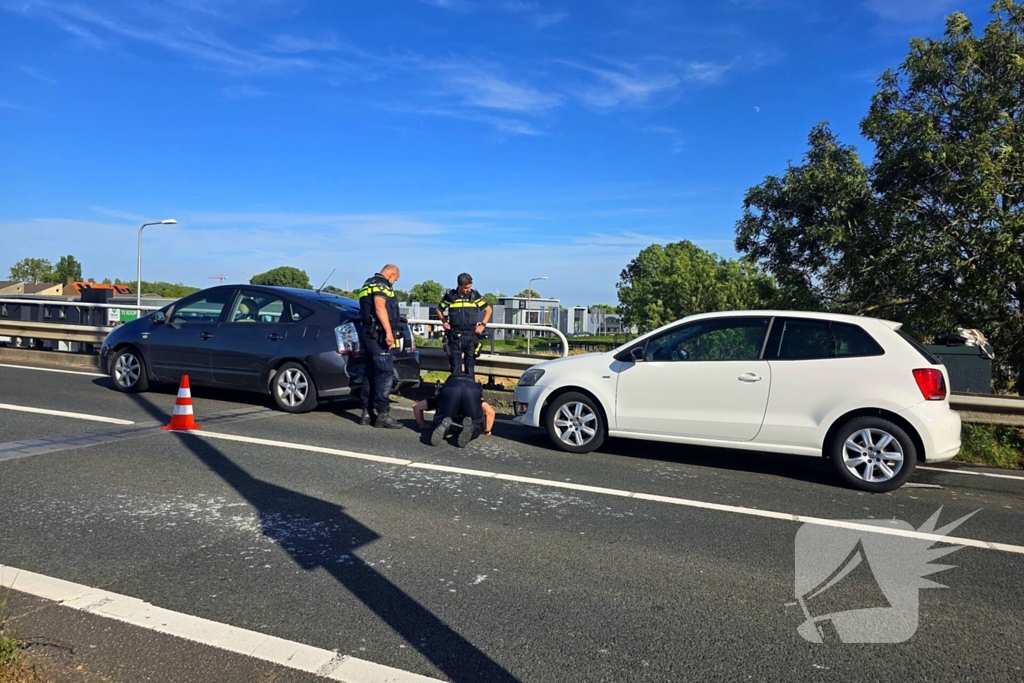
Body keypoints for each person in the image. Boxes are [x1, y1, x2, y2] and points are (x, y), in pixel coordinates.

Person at [356, 264, 403, 429]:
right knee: (385, 373)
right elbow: (379, 307)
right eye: (395, 280)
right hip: (378, 335)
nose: (394, 283)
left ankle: (366, 413)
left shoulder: (367, 283)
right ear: (391, 274)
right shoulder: (381, 285)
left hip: (368, 333)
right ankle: (382, 414)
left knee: (370, 372)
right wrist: (389, 332)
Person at [412, 372, 495, 447]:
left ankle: (441, 425)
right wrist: (487, 430)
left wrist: (422, 424)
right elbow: (490, 412)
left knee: (441, 420)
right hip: (471, 391)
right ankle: (472, 429)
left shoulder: (445, 390)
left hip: (450, 389)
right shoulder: (475, 392)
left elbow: (416, 406)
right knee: (475, 423)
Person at [437, 273, 492, 378]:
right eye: (466, 288)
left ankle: (469, 387)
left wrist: (482, 325)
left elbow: (488, 310)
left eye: (470, 287)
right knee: (455, 369)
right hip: (455, 337)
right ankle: (456, 387)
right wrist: (444, 321)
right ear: (459, 285)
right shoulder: (450, 296)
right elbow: (439, 309)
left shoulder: (474, 296)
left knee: (470, 370)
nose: (468, 290)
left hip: (471, 336)